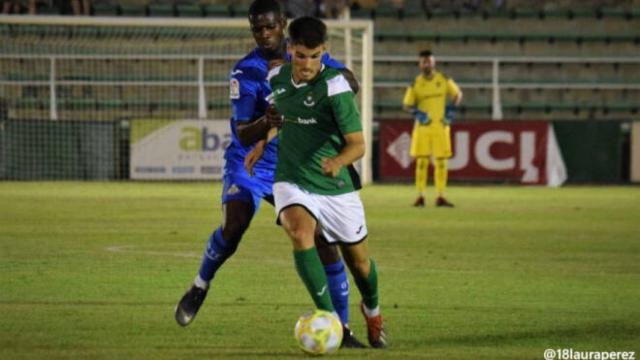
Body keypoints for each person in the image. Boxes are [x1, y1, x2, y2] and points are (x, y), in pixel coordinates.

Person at [174, 0, 365, 349]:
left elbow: (350, 82)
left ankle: (343, 326)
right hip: (249, 160)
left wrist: (311, 77)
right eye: (257, 28)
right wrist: (270, 118)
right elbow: (243, 133)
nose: (264, 34)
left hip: (293, 163)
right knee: (234, 226)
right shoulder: (245, 71)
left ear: (283, 24)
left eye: (270, 27)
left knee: (323, 241)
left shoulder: (303, 56)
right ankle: (200, 285)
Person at [262, 16, 387, 348]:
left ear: (323, 53)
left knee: (359, 264)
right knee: (300, 231)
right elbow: (281, 118)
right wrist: (263, 141)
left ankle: (372, 310)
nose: (307, 64)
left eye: (314, 56)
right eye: (301, 55)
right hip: (293, 178)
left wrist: (337, 161)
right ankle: (331, 321)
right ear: (290, 50)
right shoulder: (276, 77)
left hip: (335, 187)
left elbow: (358, 144)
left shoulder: (335, 86)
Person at [402, 49, 462, 208]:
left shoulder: (443, 80)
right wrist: (417, 112)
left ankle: (440, 196)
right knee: (421, 162)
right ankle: (420, 196)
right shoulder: (416, 83)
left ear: (434, 62)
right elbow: (406, 105)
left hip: (441, 127)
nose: (427, 64)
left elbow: (457, 94)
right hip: (423, 127)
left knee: (441, 162)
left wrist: (450, 110)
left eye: (429, 61)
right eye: (424, 62)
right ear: (420, 64)